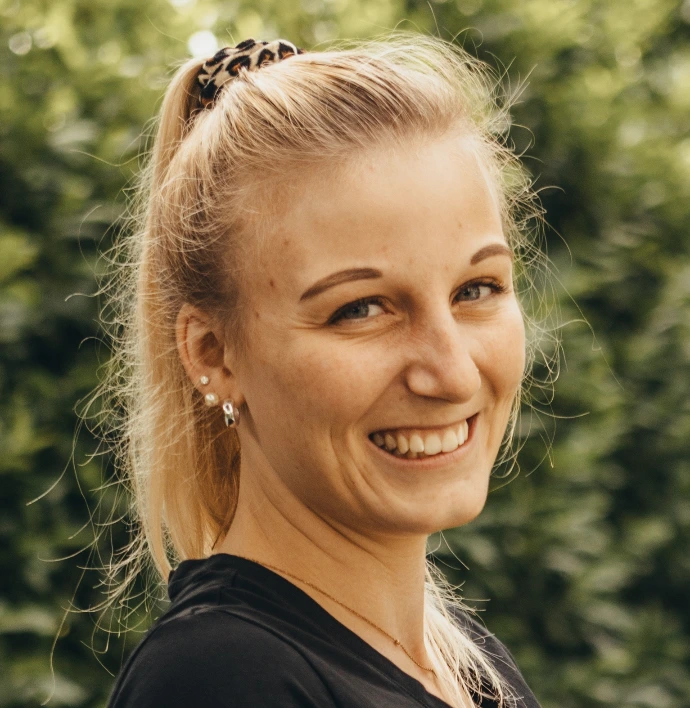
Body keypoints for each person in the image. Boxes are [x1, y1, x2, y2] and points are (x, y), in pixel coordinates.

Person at [99, 31, 547, 708]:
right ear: (213, 354)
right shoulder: (222, 681)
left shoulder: (471, 666)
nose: (453, 374)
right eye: (361, 309)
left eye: (476, 289)